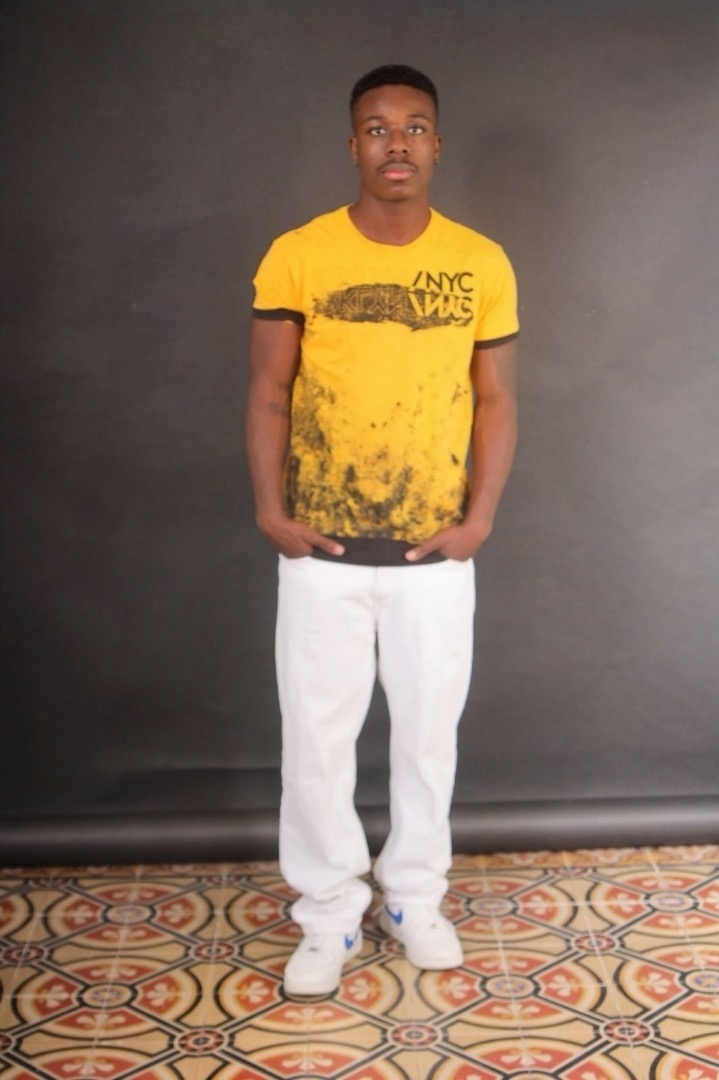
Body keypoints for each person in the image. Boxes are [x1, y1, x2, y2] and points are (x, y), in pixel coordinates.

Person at [246, 64, 519, 997]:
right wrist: (270, 511)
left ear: (436, 144)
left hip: (432, 554)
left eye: (412, 126)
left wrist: (478, 519)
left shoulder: (480, 262)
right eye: (375, 127)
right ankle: (327, 912)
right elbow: (268, 387)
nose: (394, 143)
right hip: (320, 551)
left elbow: (495, 397)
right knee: (315, 743)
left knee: (427, 740)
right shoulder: (298, 254)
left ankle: (412, 898)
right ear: (351, 144)